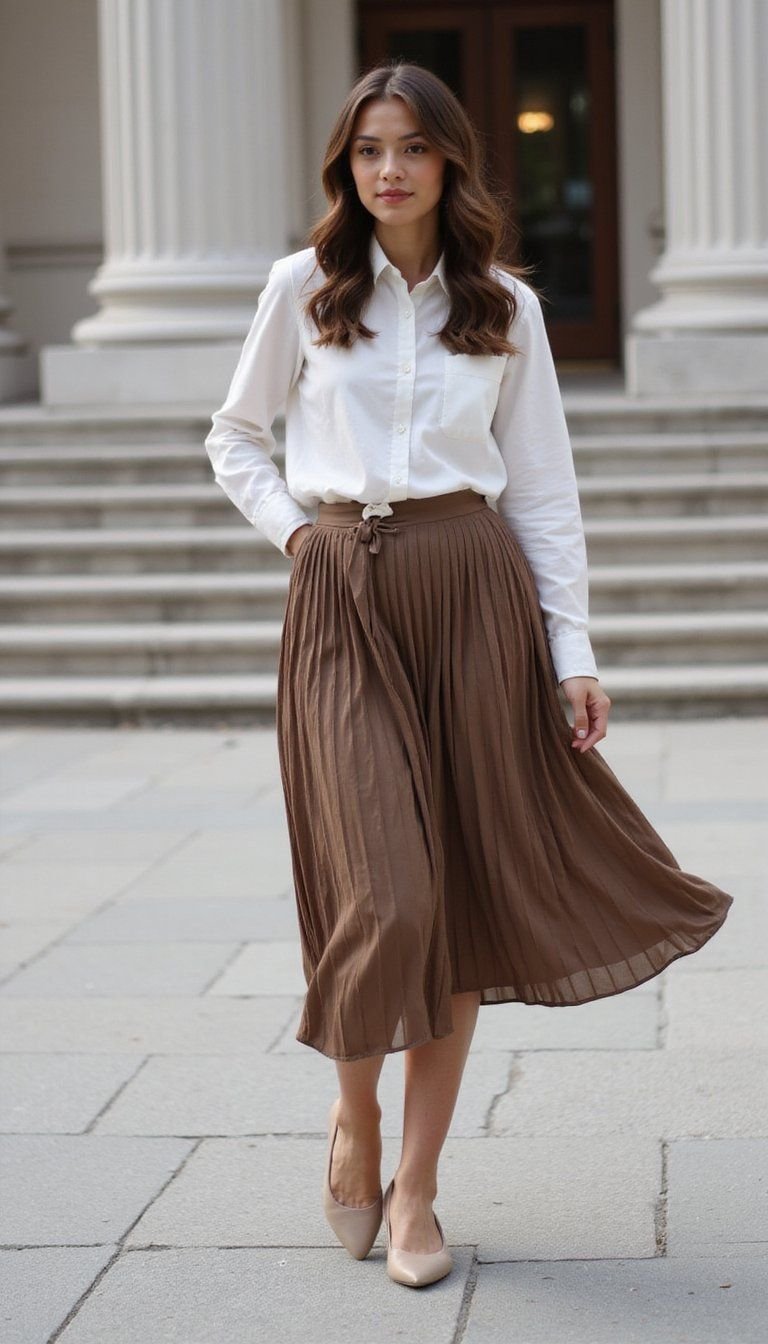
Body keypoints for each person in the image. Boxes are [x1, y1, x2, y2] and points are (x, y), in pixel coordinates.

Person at [205, 62, 733, 1289]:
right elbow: (233, 434)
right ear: (346, 165)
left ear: (450, 163)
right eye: (369, 150)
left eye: (414, 149)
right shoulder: (304, 288)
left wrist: (573, 652)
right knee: (379, 895)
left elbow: (542, 486)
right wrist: (296, 531)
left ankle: (420, 1193)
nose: (390, 169)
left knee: (453, 906)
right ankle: (358, 1126)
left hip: (473, 590)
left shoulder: (503, 305)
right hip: (340, 592)